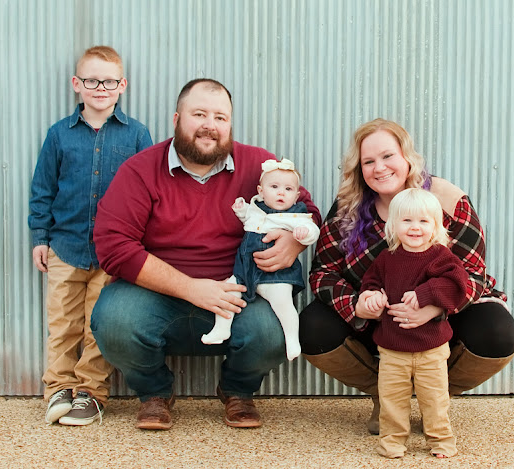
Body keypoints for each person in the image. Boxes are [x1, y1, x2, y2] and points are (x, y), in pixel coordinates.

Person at [90, 78, 321, 430]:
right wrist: (191, 288)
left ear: (230, 124)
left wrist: (296, 241)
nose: (210, 125)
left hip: (238, 295)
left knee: (274, 331)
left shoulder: (259, 165)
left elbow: (307, 209)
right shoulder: (140, 170)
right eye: (199, 114)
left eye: (220, 117)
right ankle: (154, 392)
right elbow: (112, 245)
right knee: (113, 320)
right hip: (156, 296)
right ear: (176, 119)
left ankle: (237, 390)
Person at [299, 118, 514, 436]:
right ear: (359, 169)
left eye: (388, 156)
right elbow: (323, 272)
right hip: (378, 324)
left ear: (407, 157)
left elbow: (474, 273)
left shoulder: (447, 201)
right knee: (312, 327)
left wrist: (434, 307)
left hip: (442, 323)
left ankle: (434, 397)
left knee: (497, 332)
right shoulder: (348, 208)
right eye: (368, 161)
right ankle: (388, 395)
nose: (379, 168)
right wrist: (357, 305)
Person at [28, 46, 153, 426]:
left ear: (122, 85)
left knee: (97, 325)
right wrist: (40, 237)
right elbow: (43, 188)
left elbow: (149, 192)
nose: (101, 88)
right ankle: (58, 388)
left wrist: (142, 244)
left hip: (113, 252)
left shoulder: (136, 134)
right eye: (92, 81)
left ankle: (90, 393)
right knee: (63, 323)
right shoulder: (58, 135)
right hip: (65, 247)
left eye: (109, 82)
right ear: (76, 84)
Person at [360, 188, 467, 458]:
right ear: (393, 225)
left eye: (423, 221)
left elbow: (457, 284)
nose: (415, 227)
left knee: (435, 400)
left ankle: (441, 441)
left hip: (431, 349)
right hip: (393, 349)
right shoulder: (387, 258)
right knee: (392, 400)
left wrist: (425, 293)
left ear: (435, 226)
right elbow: (371, 283)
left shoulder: (440, 256)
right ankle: (392, 442)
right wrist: (372, 296)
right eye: (407, 220)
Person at [201, 158, 320, 361]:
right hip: (245, 271)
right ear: (261, 191)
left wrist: (302, 234)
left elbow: (312, 230)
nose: (281, 193)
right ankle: (221, 329)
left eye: (288, 189)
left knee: (283, 304)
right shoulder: (256, 208)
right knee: (227, 294)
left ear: (296, 196)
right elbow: (247, 219)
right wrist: (241, 209)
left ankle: (292, 339)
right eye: (274, 187)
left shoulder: (296, 216)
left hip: (276, 276)